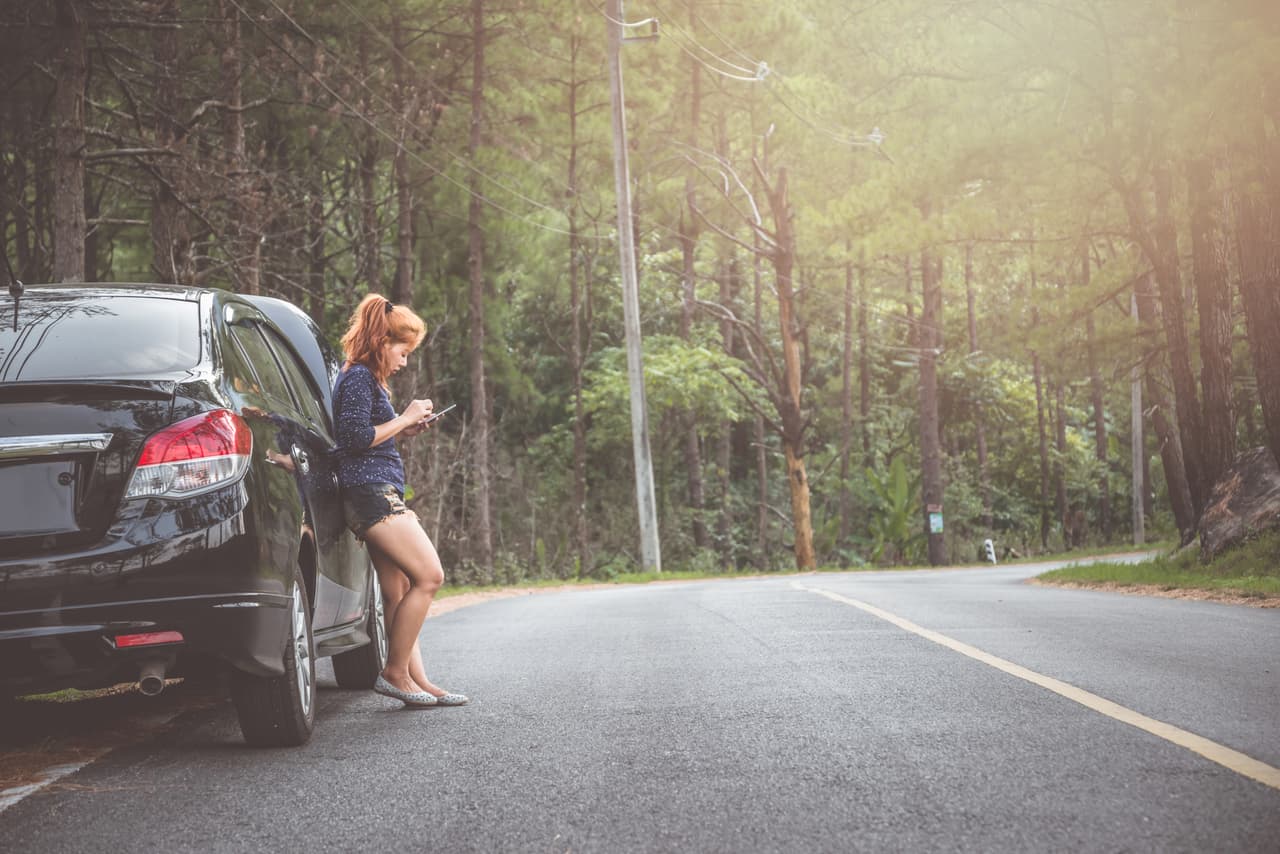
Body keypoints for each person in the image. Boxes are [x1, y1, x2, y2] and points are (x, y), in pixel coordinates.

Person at [333, 294, 467, 708]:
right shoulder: (357, 376)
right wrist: (405, 417)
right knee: (430, 576)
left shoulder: (366, 380)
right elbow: (352, 439)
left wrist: (404, 430)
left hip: (374, 486)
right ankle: (393, 673)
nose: (405, 361)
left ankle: (416, 680)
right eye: (403, 352)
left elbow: (368, 434)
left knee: (399, 588)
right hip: (371, 492)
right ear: (381, 341)